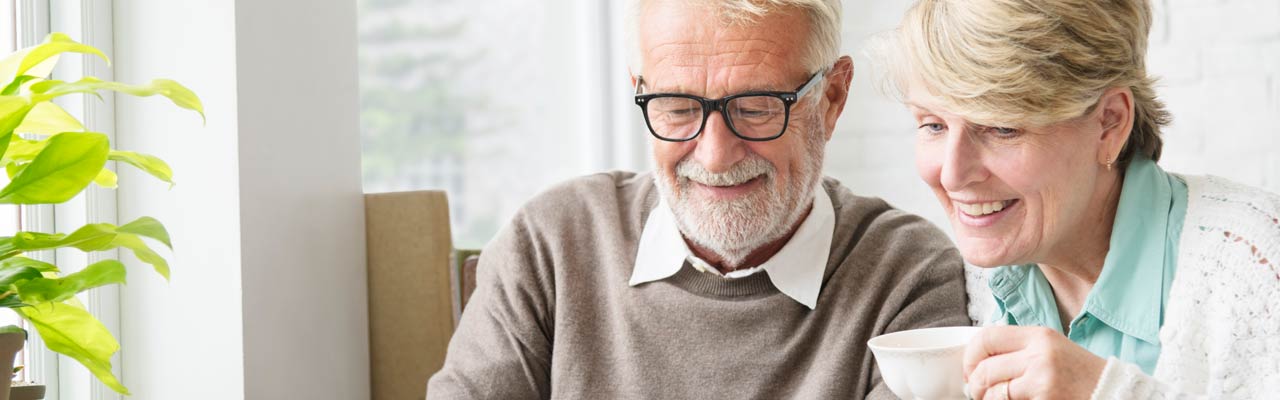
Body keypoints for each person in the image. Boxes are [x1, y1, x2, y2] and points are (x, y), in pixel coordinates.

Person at [426, 0, 972, 398]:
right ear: (640, 90)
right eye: (678, 107)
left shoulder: (909, 277)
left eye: (757, 107)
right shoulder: (548, 246)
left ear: (831, 99)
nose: (714, 155)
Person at [874, 0, 1280, 398]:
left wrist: (1105, 392)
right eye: (933, 125)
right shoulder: (980, 281)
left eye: (1001, 127)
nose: (951, 173)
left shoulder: (1255, 263)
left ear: (1109, 123)